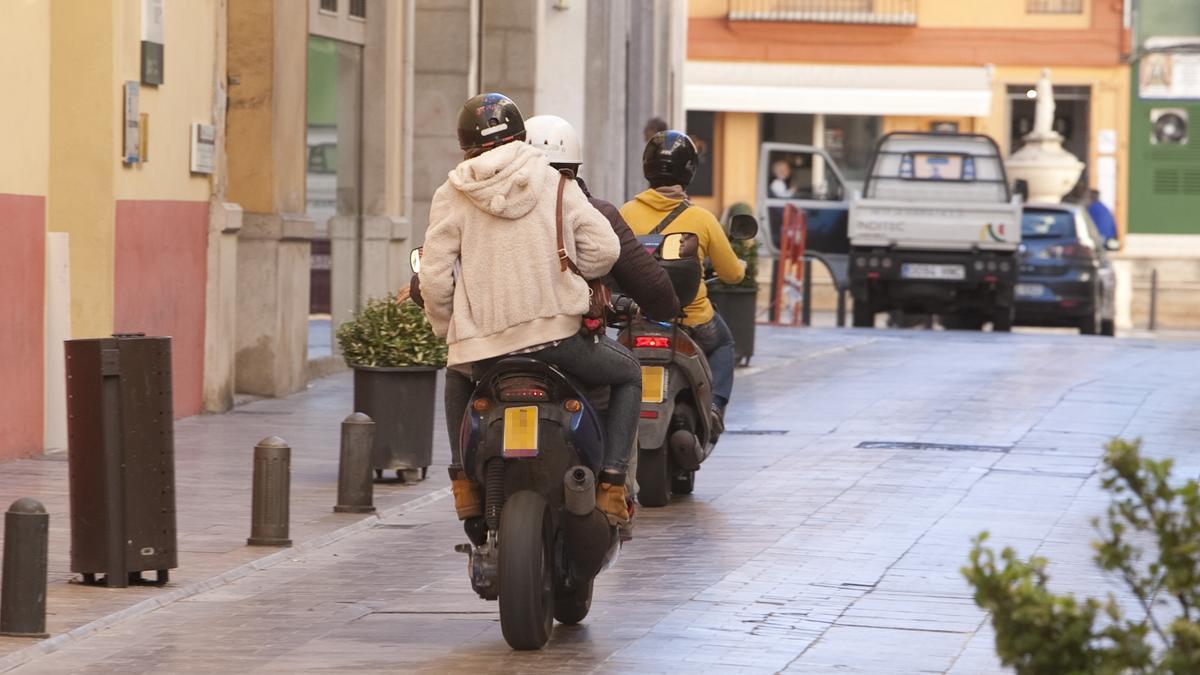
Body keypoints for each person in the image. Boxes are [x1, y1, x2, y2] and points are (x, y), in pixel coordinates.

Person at [420, 93, 636, 530]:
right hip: (558, 341)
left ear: (464, 144)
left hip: (487, 353)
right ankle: (612, 485)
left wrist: (451, 330)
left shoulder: (453, 193)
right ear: (521, 135)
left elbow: (434, 278)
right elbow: (605, 251)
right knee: (630, 374)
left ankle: (464, 482)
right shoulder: (555, 182)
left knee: (457, 372)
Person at [620, 130, 745, 434]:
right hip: (692, 320)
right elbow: (732, 274)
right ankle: (714, 406)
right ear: (689, 171)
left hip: (637, 318)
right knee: (724, 344)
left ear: (646, 167)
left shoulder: (624, 213)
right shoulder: (702, 219)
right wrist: (740, 265)